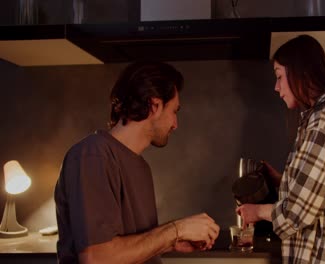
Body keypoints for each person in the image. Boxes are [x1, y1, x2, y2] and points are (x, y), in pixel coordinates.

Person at [54, 61, 220, 264]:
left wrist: (171, 242)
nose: (175, 124)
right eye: (174, 111)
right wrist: (177, 229)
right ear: (154, 105)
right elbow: (97, 259)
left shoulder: (140, 166)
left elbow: (131, 248)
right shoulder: (93, 156)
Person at [236, 35, 325, 263]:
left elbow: (296, 212)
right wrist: (282, 181)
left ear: (301, 73)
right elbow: (321, 191)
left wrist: (256, 212)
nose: (276, 87)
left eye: (279, 77)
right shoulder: (317, 119)